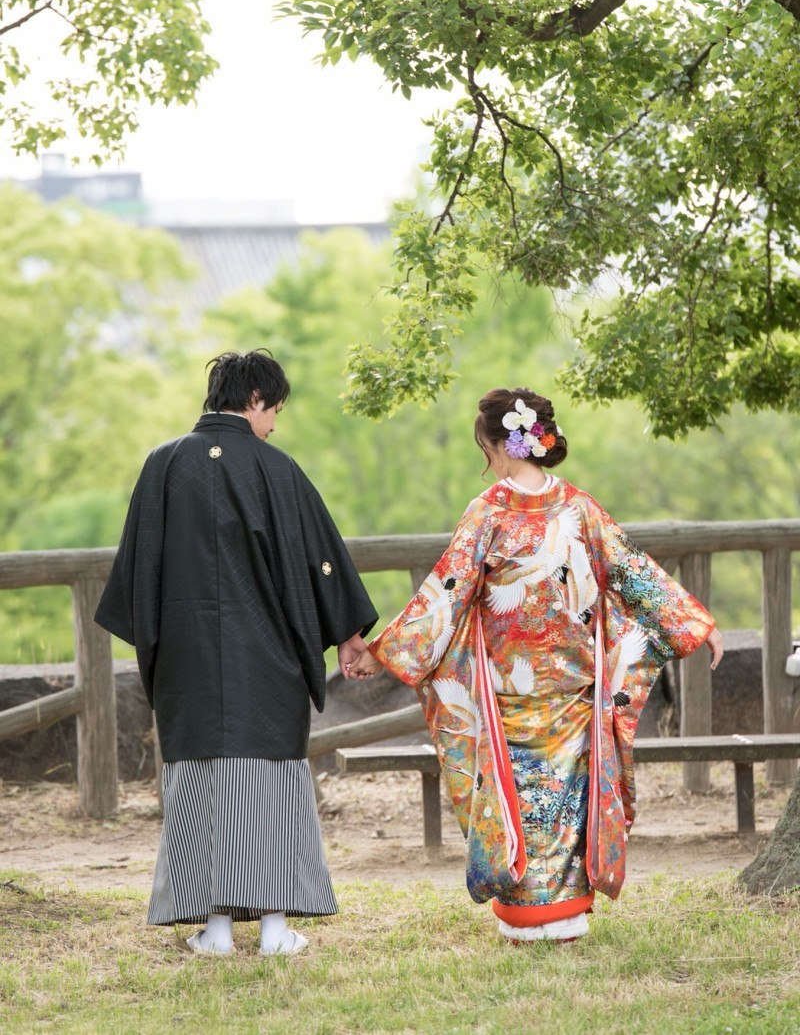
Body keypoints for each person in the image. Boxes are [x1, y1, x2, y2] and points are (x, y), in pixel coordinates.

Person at [352, 387, 723, 943]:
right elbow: (634, 572)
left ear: (498, 445)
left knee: (521, 795)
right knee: (565, 795)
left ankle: (532, 918)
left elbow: (447, 596)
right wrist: (696, 622)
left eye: (485, 448)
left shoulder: (487, 514)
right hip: (569, 683)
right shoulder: (581, 507)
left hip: (514, 685)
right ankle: (563, 913)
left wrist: (386, 652)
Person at [95, 350, 378, 956]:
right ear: (254, 400)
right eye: (274, 409)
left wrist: (165, 637)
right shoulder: (278, 471)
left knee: (199, 786)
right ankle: (275, 929)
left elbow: (136, 578)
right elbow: (320, 562)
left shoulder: (162, 466)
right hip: (267, 657)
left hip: (186, 661)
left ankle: (215, 930)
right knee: (269, 784)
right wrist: (349, 631)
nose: (275, 423)